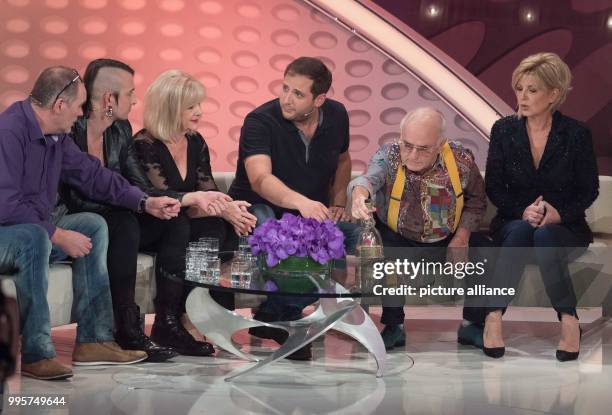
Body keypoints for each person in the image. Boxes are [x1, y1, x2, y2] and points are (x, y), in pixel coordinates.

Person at [0, 66, 181, 380]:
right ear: (59, 105)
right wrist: (56, 234)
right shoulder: (8, 131)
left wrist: (144, 201)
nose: (81, 113)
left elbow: (93, 175)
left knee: (94, 225)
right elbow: (5, 205)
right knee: (35, 237)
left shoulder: (58, 136)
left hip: (33, 230)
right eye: (78, 106)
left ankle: (94, 339)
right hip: (10, 234)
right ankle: (37, 352)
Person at [59, 59, 231, 360]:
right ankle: (127, 327)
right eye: (130, 93)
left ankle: (167, 323)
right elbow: (77, 193)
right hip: (82, 219)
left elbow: (139, 185)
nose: (136, 99)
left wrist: (164, 202)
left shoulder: (120, 128)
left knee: (174, 221)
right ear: (109, 100)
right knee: (123, 222)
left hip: (120, 212)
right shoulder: (70, 128)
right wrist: (178, 199)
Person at [227, 56, 359, 360]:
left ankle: (274, 316)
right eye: (284, 88)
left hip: (309, 215)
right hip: (257, 207)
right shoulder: (260, 121)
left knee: (355, 238)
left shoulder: (337, 115)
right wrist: (302, 202)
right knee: (270, 228)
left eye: (298, 94)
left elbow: (342, 158)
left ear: (320, 99)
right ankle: (287, 324)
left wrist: (338, 201)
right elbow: (260, 179)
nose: (286, 98)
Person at [481, 52, 599, 360]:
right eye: (519, 88)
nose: (522, 97)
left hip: (565, 227)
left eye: (532, 90)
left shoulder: (576, 134)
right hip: (513, 222)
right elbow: (494, 185)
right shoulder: (503, 130)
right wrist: (522, 210)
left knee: (545, 236)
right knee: (521, 231)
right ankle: (493, 317)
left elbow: (589, 189)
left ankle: (569, 321)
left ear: (554, 94)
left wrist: (559, 213)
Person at [133, 69, 257, 355]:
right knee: (181, 224)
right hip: (151, 222)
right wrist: (216, 207)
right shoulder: (144, 144)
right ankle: (167, 320)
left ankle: (195, 315)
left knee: (218, 226)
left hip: (182, 219)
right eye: (191, 106)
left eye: (199, 104)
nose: (199, 111)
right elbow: (162, 198)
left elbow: (207, 190)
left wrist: (227, 209)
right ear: (170, 108)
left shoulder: (195, 141)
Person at [349, 107, 489, 350]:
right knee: (385, 252)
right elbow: (368, 180)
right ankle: (394, 326)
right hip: (400, 234)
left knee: (486, 250)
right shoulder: (389, 155)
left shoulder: (461, 160)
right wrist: (359, 196)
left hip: (448, 236)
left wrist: (462, 237)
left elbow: (477, 201)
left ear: (440, 143)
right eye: (407, 145)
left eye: (423, 148)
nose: (412, 154)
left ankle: (472, 325)